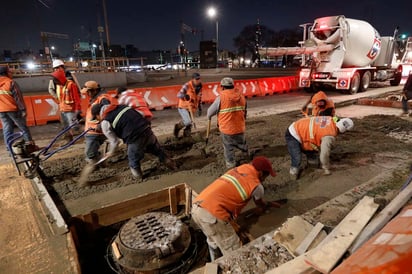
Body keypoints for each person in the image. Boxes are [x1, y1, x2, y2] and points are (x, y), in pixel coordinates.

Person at [191, 156, 280, 260]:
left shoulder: (242, 168)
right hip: (213, 215)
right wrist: (267, 205)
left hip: (197, 206)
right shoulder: (257, 186)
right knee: (234, 250)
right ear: (261, 173)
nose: (265, 179)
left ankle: (214, 263)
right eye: (266, 176)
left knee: (213, 240)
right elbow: (260, 205)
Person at [91, 103, 176, 181]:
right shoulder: (122, 106)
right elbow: (142, 114)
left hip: (134, 138)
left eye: (96, 118)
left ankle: (138, 178)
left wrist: (110, 152)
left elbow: (115, 142)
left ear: (98, 114)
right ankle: (172, 165)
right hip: (147, 130)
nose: (98, 120)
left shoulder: (105, 122)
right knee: (157, 150)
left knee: (133, 160)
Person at [285, 116, 354, 180]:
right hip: (293, 133)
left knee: (313, 152)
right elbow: (324, 154)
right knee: (297, 157)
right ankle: (293, 174)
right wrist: (326, 168)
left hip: (302, 129)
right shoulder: (329, 135)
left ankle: (311, 165)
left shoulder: (332, 119)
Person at [78, 80, 118, 186]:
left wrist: (101, 125)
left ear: (95, 90)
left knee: (89, 155)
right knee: (93, 153)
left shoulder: (103, 99)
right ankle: (103, 165)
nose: (87, 94)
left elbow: (107, 113)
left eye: (89, 91)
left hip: (95, 133)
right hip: (92, 131)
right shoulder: (95, 99)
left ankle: (83, 181)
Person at [207, 77, 249, 169]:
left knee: (228, 147)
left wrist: (209, 116)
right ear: (233, 86)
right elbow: (245, 112)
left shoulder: (221, 98)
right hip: (240, 127)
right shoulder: (241, 96)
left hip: (227, 129)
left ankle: (231, 165)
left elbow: (209, 112)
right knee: (241, 144)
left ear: (222, 87)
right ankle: (246, 159)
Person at [0, 66, 38, 152]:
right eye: (10, 72)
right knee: (23, 127)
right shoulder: (10, 82)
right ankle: (30, 146)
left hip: (1, 111)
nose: (11, 73)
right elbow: (18, 98)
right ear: (5, 73)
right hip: (12, 109)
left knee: (7, 129)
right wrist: (23, 109)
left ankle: (10, 149)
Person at [50, 65, 82, 140]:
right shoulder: (59, 86)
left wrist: (77, 109)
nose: (55, 82)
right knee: (66, 125)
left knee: (73, 126)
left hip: (70, 110)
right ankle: (69, 138)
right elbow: (59, 97)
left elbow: (76, 98)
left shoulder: (71, 85)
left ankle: (81, 134)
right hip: (63, 109)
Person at [174, 72, 202, 138]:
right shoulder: (187, 85)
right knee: (187, 121)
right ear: (193, 79)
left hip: (192, 107)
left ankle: (186, 137)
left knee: (189, 125)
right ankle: (177, 127)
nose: (198, 80)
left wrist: (200, 108)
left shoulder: (200, 87)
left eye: (199, 79)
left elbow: (200, 98)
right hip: (183, 106)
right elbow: (179, 94)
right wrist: (185, 96)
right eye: (196, 79)